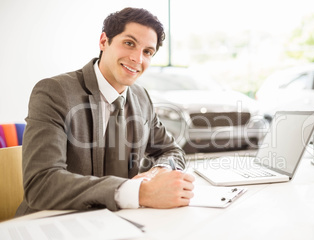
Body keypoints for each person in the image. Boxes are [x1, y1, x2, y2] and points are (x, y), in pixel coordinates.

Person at [16, 7, 194, 216]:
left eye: (147, 52)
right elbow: (41, 184)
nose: (137, 58)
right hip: (54, 222)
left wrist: (159, 172)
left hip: (121, 220)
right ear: (103, 41)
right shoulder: (55, 92)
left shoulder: (141, 97)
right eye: (129, 43)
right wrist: (140, 192)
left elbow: (171, 151)